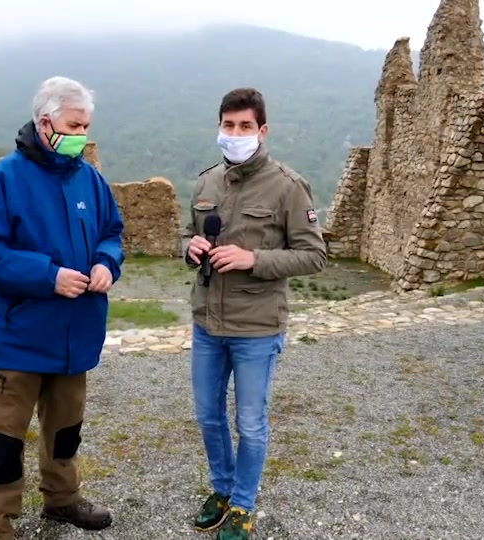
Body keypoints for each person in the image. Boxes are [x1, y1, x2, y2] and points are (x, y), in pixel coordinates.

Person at [0, 76, 125, 540]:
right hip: (17, 338)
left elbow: (112, 233)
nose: (82, 135)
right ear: (45, 121)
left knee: (65, 431)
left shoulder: (90, 180)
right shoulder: (5, 178)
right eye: (75, 125)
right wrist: (48, 275)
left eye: (87, 125)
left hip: (75, 337)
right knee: (1, 441)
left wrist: (105, 263)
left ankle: (63, 500)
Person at [182, 87, 328, 539]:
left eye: (245, 126)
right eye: (228, 125)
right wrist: (188, 247)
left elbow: (314, 255)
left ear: (262, 130)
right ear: (219, 128)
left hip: (256, 328)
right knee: (208, 416)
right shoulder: (206, 182)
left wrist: (254, 260)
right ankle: (222, 490)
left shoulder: (288, 186)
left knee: (250, 422)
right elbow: (186, 233)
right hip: (208, 322)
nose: (235, 133)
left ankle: (243, 504)